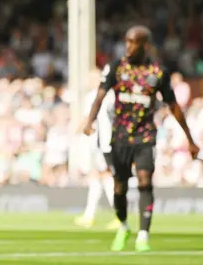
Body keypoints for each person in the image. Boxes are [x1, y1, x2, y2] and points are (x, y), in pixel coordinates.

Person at [83, 25, 199, 252]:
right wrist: (90, 121)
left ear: (144, 45)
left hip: (145, 135)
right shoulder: (115, 68)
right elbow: (99, 96)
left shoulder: (157, 73)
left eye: (133, 42)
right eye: (126, 41)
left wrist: (190, 138)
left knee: (145, 181)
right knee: (119, 187)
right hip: (119, 137)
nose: (128, 46)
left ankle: (143, 234)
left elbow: (174, 107)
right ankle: (124, 225)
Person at [74, 69, 118, 229]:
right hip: (104, 142)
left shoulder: (95, 95)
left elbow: (88, 118)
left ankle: (119, 214)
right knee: (97, 177)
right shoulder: (111, 94)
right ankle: (90, 214)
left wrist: (75, 131)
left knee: (104, 176)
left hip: (99, 142)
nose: (88, 81)